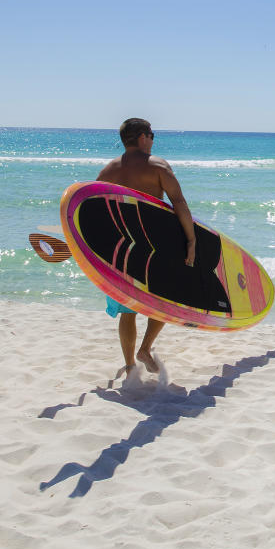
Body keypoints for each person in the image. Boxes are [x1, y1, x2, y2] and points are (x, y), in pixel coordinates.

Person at [96, 118, 197, 376]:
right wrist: (192, 240)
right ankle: (145, 348)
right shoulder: (158, 166)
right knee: (165, 300)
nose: (153, 140)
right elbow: (179, 203)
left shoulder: (108, 171)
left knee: (127, 311)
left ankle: (130, 365)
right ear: (142, 137)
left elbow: (92, 210)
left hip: (121, 249)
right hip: (155, 247)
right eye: (152, 135)